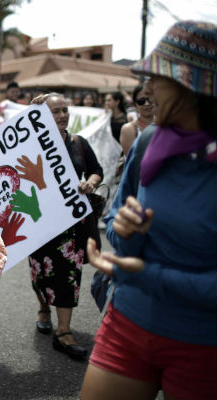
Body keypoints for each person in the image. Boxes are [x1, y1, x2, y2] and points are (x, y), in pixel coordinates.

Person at [81, 21, 217, 400]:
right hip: (127, 321)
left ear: (194, 86)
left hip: (204, 346)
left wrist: (148, 275)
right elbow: (115, 228)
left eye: (159, 77)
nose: (147, 89)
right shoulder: (147, 142)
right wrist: (125, 235)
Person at [29, 92, 103, 360]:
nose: (61, 115)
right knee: (40, 274)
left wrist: (90, 183)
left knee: (68, 274)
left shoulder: (78, 142)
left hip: (72, 222)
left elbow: (96, 170)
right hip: (39, 220)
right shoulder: (32, 142)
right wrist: (30, 114)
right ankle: (44, 309)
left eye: (64, 110)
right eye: (55, 111)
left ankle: (63, 331)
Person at [119, 85, 154, 156]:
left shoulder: (165, 125)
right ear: (135, 105)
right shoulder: (129, 129)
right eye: (141, 101)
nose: (147, 104)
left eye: (150, 99)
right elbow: (133, 162)